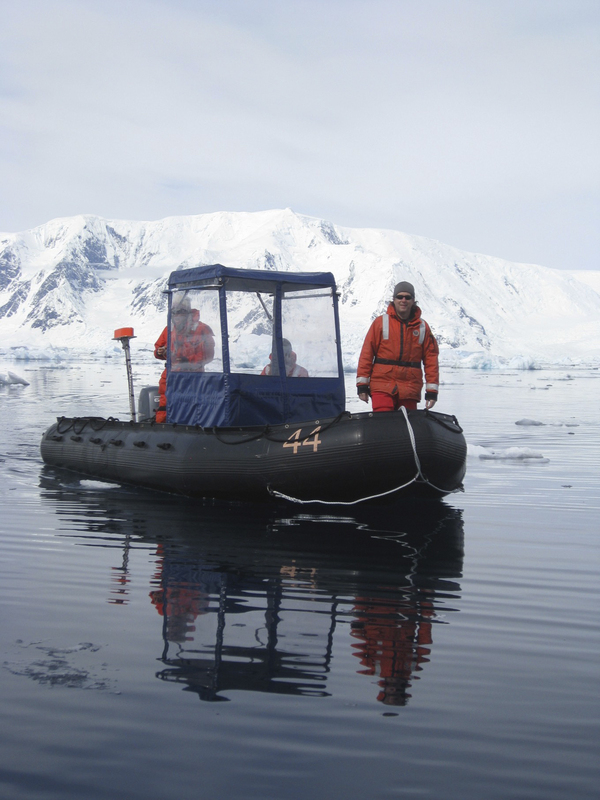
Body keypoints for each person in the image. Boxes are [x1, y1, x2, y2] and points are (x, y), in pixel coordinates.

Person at [356, 281, 439, 412]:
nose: (403, 300)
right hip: (382, 385)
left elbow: (431, 361)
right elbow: (367, 354)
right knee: (383, 421)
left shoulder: (423, 327)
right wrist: (362, 385)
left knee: (406, 425)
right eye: (400, 297)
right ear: (393, 300)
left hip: (410, 387)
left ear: (413, 301)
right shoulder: (380, 323)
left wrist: (432, 391)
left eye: (408, 297)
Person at [154, 294, 215, 422]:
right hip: (171, 377)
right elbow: (157, 349)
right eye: (174, 311)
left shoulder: (201, 329)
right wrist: (161, 352)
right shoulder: (169, 329)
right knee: (165, 408)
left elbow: (208, 355)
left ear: (187, 312)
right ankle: (163, 431)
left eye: (180, 311)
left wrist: (187, 360)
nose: (176, 315)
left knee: (192, 411)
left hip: (193, 378)